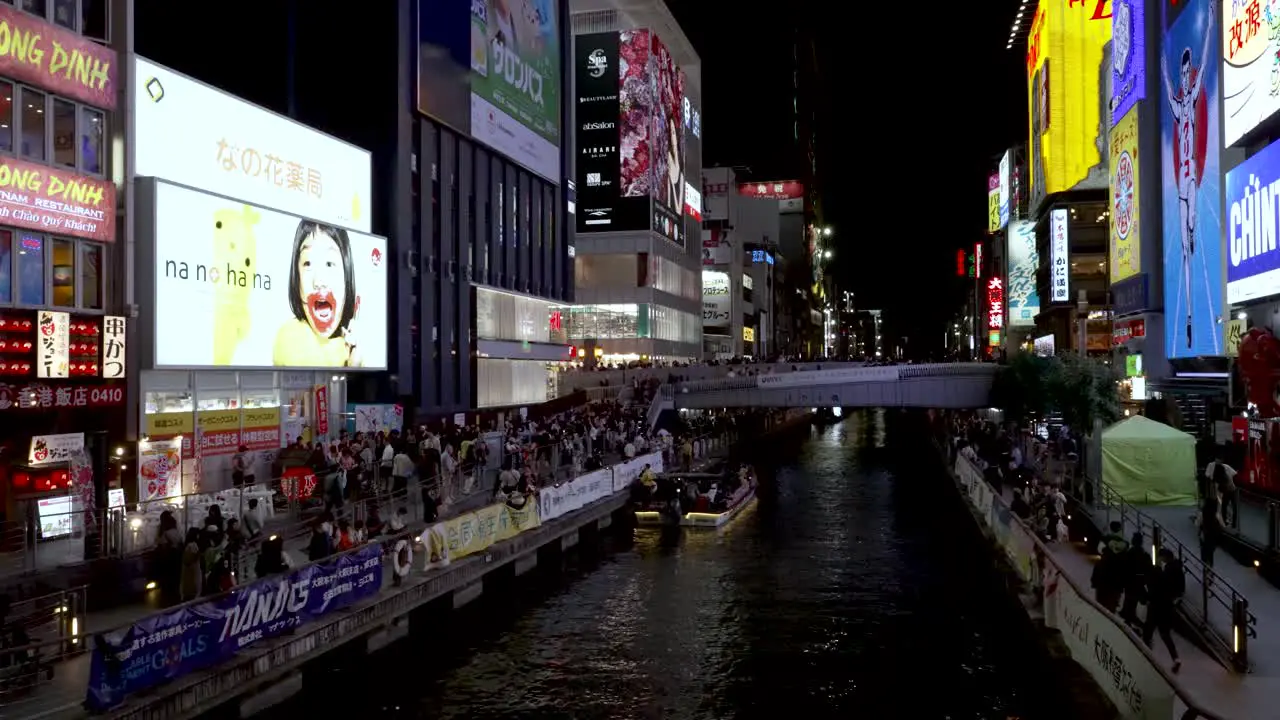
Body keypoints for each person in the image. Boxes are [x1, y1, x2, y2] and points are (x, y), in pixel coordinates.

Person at [1160, 10, 1217, 351]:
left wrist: (1210, 25)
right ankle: (1192, 319)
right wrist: (1164, 68)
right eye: (1181, 71)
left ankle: (1193, 235)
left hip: (1192, 179)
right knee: (1184, 251)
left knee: (1192, 234)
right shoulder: (1179, 105)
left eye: (1186, 70)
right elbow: (1167, 85)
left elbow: (1207, 55)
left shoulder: (1192, 96)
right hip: (1182, 187)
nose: (1184, 76)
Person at [272, 220, 364, 367]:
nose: (319, 281)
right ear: (297, 277)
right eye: (308, 263)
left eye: (329, 264)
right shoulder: (289, 337)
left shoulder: (353, 348)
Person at [1144, 548, 1185, 672]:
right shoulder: (1178, 570)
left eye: (1160, 557)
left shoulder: (1166, 571)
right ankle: (1176, 658)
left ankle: (1146, 657)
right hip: (1168, 606)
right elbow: (1181, 589)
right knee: (1165, 633)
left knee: (1148, 631)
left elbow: (1157, 587)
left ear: (1165, 557)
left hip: (1157, 605)